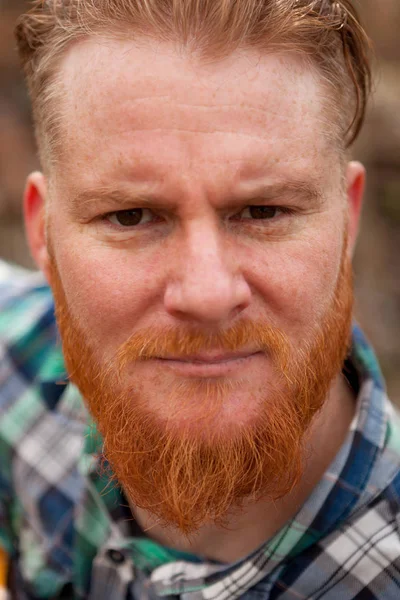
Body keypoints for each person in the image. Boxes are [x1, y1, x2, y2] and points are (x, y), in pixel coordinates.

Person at [1, 0, 399, 598]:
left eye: (264, 211)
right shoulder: (18, 375)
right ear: (44, 235)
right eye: (131, 216)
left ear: (348, 218)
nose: (208, 294)